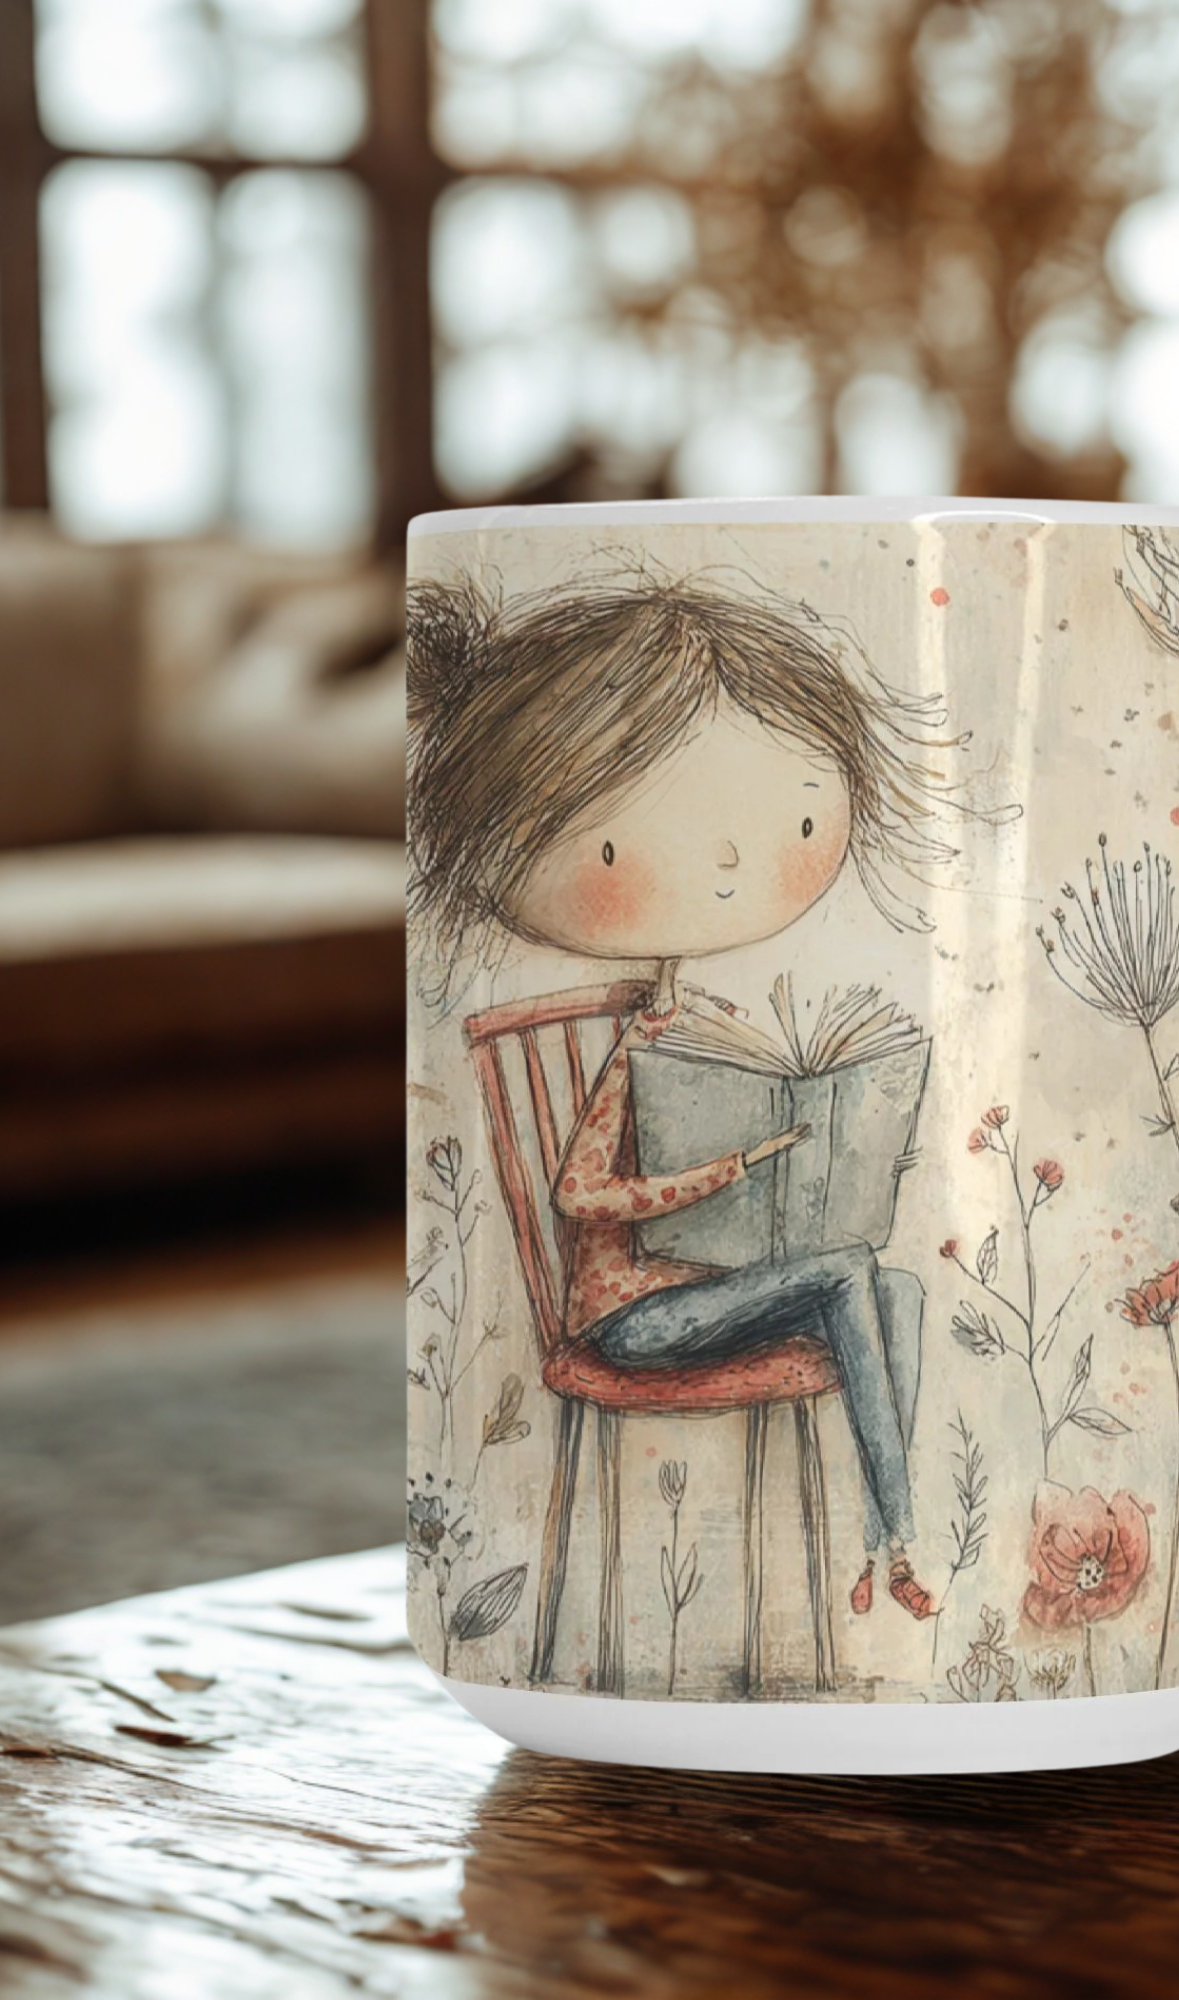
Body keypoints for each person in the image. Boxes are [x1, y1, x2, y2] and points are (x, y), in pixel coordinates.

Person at [408, 570, 987, 1621]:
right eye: (623, 847)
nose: (724, 863)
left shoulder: (702, 1026)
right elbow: (581, 1196)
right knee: (848, 1274)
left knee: (889, 1286)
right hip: (629, 1321)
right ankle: (900, 1538)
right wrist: (715, 1173)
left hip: (707, 1292)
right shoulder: (633, 1046)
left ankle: (882, 1540)